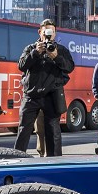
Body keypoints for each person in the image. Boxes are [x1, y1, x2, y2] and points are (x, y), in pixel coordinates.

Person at [14, 19, 74, 157]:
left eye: (51, 32)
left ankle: (55, 162)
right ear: (40, 32)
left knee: (53, 131)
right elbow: (21, 65)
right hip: (31, 95)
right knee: (23, 129)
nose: (49, 35)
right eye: (46, 31)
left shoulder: (61, 50)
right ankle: (16, 159)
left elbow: (70, 67)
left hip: (51, 95)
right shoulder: (30, 48)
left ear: (55, 33)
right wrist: (36, 52)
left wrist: (56, 57)